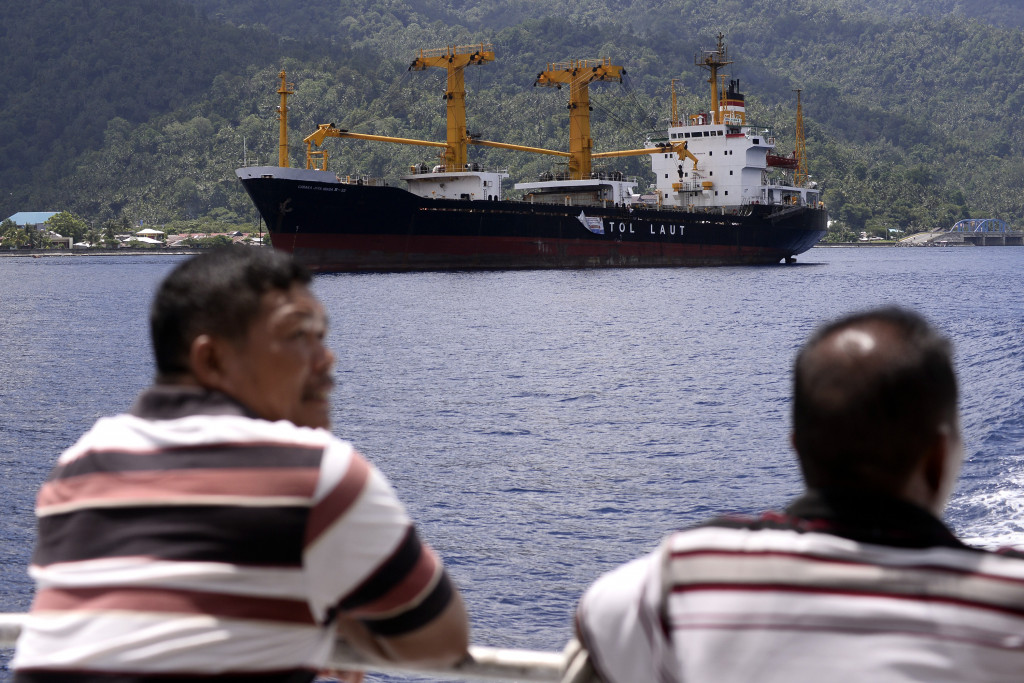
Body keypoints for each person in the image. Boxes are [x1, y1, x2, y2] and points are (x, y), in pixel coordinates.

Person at [12, 245, 469, 682]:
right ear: (212, 359)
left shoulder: (80, 465)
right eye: (297, 336)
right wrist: (331, 624)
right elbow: (441, 642)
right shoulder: (315, 474)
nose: (325, 359)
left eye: (322, 337)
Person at [571, 307, 1024, 683]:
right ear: (938, 457)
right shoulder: (1009, 601)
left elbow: (597, 614)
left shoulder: (686, 573)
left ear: (798, 447)